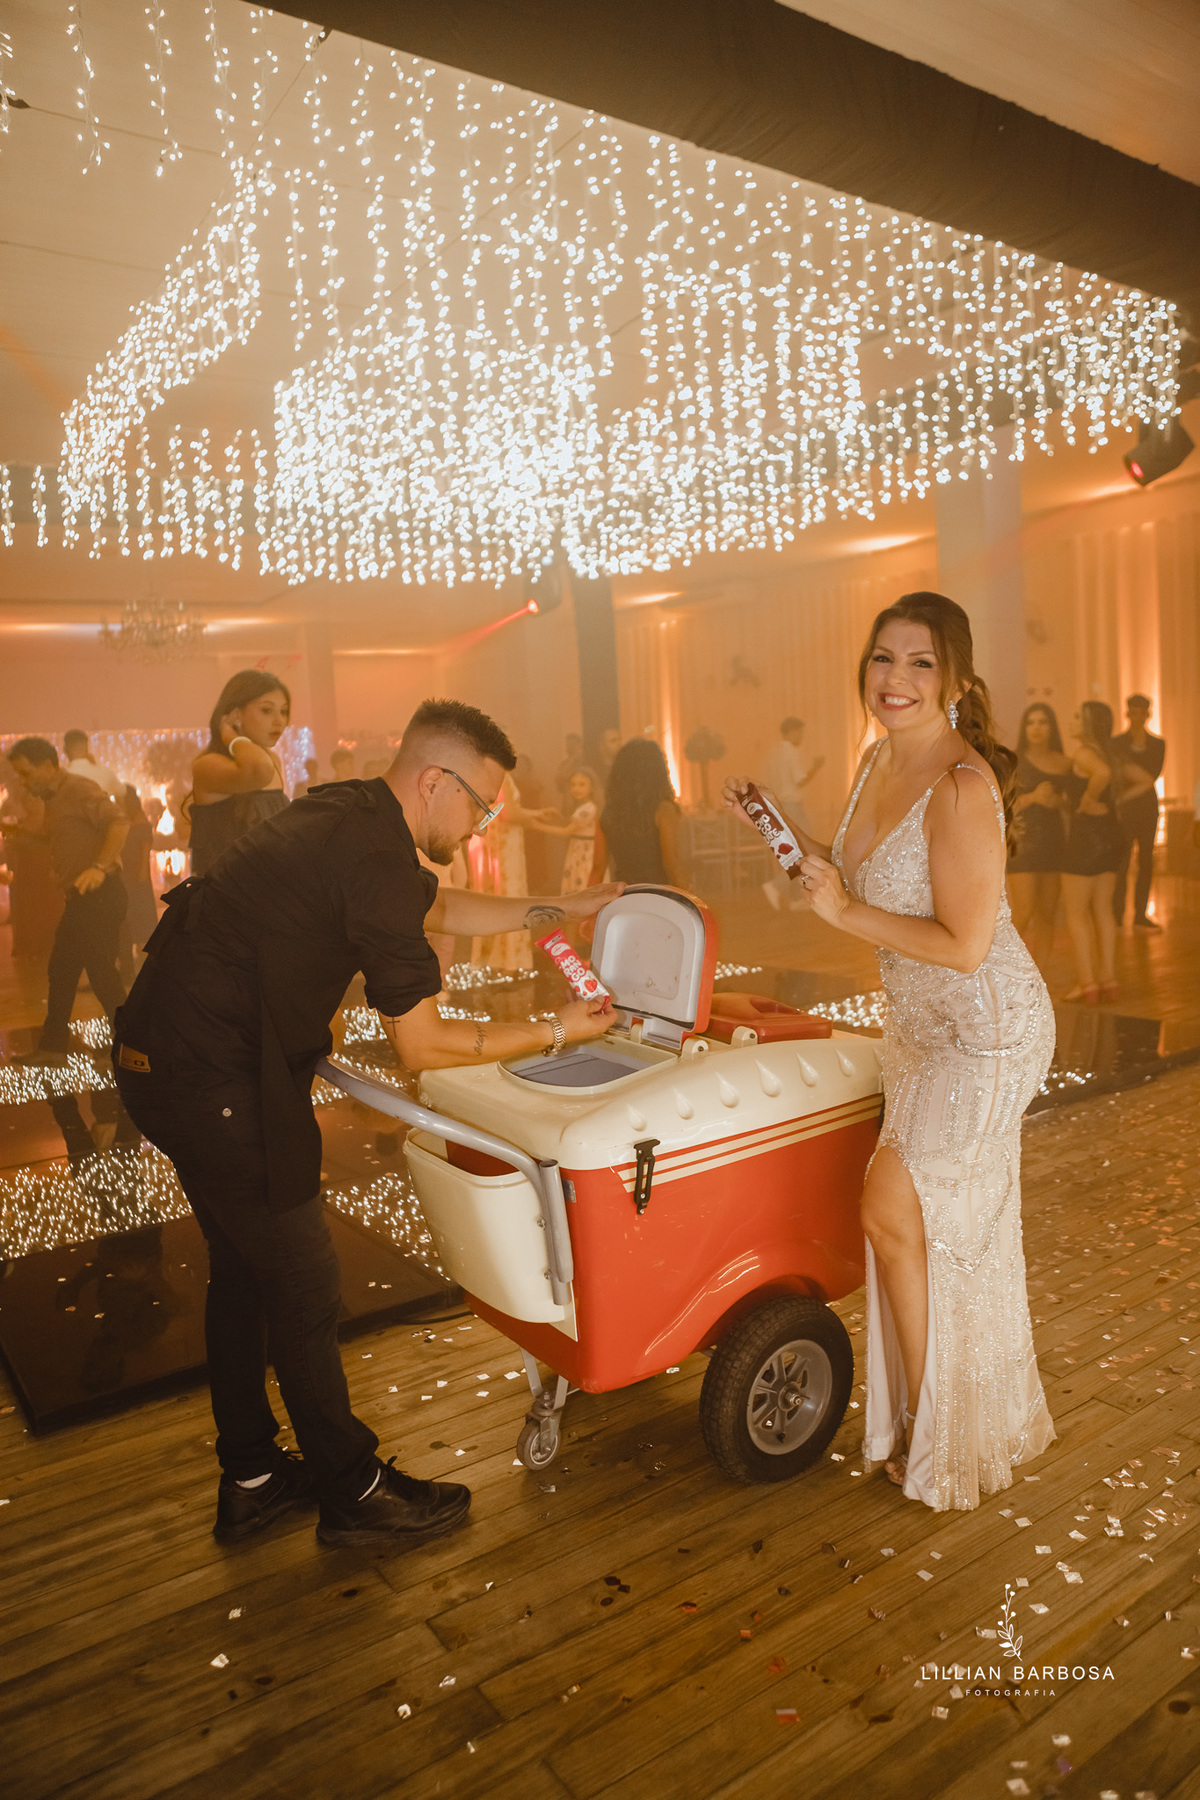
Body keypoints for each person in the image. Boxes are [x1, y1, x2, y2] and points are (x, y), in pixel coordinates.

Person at [111, 699, 618, 1547]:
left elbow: (441, 909)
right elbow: (422, 1045)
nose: (488, 821)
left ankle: (254, 1479)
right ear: (434, 782)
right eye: (482, 804)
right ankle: (354, 1494)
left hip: (160, 1056)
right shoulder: (374, 851)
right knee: (304, 1281)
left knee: (244, 1272)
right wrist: (562, 1026)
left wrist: (558, 908)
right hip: (214, 1077)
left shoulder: (348, 809)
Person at [724, 591, 1055, 1512]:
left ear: (952, 678)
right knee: (914, 1229)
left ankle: (936, 1429)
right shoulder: (876, 761)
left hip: (987, 1032)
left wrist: (843, 912)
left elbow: (964, 943)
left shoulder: (961, 787)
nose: (895, 679)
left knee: (892, 1211)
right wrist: (787, 836)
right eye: (882, 658)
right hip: (918, 1027)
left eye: (918, 662)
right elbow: (857, 870)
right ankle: (937, 1420)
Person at [5, 737, 129, 1055]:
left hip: (99, 895)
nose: (23, 781)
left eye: (26, 773)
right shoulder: (56, 798)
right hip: (82, 898)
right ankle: (54, 1047)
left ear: (47, 766)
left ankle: (134, 1043)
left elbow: (119, 821)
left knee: (100, 975)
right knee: (63, 970)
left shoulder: (79, 789)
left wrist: (99, 867)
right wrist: (16, 833)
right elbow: (53, 840)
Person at [1061, 701, 1135, 1004]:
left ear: (1090, 724)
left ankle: (1087, 983)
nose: (1073, 720)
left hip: (1085, 838)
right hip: (1110, 835)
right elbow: (1142, 780)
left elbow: (1100, 774)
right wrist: (1112, 802)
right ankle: (1109, 979)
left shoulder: (1084, 754)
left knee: (1076, 914)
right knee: (1104, 910)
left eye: (1079, 716)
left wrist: (1088, 800)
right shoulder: (1112, 754)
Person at [187, 671, 291, 877]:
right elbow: (259, 770)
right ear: (236, 714)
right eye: (267, 710)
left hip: (274, 887)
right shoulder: (209, 765)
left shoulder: (272, 761)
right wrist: (230, 736)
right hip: (228, 893)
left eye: (284, 711)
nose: (279, 721)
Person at [468, 769, 558, 972]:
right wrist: (535, 814)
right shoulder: (501, 776)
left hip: (493, 842)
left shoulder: (483, 774)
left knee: (494, 895)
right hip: (505, 845)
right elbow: (509, 813)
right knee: (509, 894)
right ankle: (509, 959)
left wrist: (536, 815)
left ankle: (493, 956)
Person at [1006, 703, 1073, 973]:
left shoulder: (1064, 762)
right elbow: (1002, 805)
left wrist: (1058, 801)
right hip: (1022, 842)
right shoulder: (1013, 760)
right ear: (1025, 728)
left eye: (1043, 722)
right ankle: (1007, 973)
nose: (1037, 728)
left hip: (1054, 842)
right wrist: (1034, 798)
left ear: (1052, 727)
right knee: (1023, 914)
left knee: (1048, 914)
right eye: (1031, 722)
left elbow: (1073, 805)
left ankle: (1040, 974)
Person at [1112, 693, 1166, 931]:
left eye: (1141, 711)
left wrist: (1125, 795)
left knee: (1146, 860)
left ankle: (1140, 915)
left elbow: (1151, 775)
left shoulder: (1158, 743)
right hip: (1126, 810)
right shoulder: (1116, 743)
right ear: (1128, 713)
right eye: (1133, 711)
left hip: (1145, 808)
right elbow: (1120, 774)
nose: (1137, 716)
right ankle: (1117, 913)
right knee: (1122, 861)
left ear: (1147, 714)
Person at [599, 738, 684, 886]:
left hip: (622, 893)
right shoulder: (663, 809)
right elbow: (671, 862)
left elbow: (599, 865)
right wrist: (689, 895)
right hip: (656, 893)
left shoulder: (610, 812)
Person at [762, 717, 825, 911]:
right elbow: (799, 781)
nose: (802, 736)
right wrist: (816, 767)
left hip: (780, 805)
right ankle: (776, 885)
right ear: (790, 732)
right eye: (800, 732)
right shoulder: (790, 751)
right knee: (804, 851)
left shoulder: (775, 752)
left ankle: (795, 898)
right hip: (793, 805)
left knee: (792, 851)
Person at [536, 767, 603, 894]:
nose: (576, 789)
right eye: (574, 785)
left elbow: (567, 831)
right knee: (575, 881)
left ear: (592, 787)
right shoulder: (582, 808)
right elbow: (575, 826)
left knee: (581, 883)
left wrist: (537, 826)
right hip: (578, 848)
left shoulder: (588, 809)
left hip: (583, 852)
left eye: (582, 785)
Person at [118, 786, 159, 982]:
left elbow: (145, 848)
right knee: (131, 909)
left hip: (136, 871)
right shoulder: (127, 818)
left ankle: (143, 952)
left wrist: (143, 871)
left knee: (140, 909)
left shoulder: (140, 821)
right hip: (127, 871)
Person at [63, 729, 124, 803]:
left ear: (65, 749)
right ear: (86, 748)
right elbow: (121, 796)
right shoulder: (106, 773)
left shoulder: (62, 777)